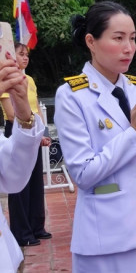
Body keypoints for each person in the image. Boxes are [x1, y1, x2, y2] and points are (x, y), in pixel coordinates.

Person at [54, 1, 136, 273]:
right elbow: (83, 173)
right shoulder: (71, 96)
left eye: (132, 38)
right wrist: (135, 132)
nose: (128, 48)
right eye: (118, 38)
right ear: (91, 41)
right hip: (104, 234)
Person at [0, 43, 52, 247]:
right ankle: (22, 231)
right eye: (21, 54)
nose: (25, 58)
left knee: (36, 181)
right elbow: (11, 113)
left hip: (32, 130)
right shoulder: (5, 80)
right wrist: (29, 125)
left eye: (27, 55)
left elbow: (37, 106)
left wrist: (42, 132)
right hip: (16, 130)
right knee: (18, 184)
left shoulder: (28, 79)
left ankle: (37, 226)